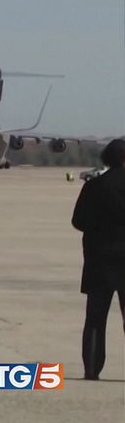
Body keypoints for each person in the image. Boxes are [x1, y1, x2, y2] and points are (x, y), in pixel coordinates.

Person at [72, 138, 125, 381]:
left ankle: (92, 369)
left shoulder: (94, 186)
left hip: (99, 259)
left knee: (95, 318)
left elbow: (78, 221)